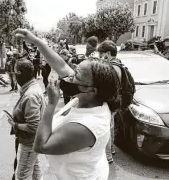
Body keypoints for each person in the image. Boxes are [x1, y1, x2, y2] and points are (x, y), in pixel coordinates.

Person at [12, 28, 120, 179]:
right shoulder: (87, 97)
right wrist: (36, 41)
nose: (70, 76)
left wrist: (51, 104)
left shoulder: (88, 126)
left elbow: (41, 146)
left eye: (77, 75)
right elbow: (61, 66)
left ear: (92, 90)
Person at [7, 58, 45, 180]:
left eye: (15, 72)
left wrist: (15, 125)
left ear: (19, 74)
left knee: (23, 175)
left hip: (30, 142)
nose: (14, 75)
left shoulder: (30, 95)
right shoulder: (31, 87)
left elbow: (33, 126)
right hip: (32, 141)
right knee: (34, 167)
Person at [97, 40, 122, 163]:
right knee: (109, 126)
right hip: (114, 101)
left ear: (107, 53)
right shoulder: (118, 64)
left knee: (105, 128)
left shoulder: (112, 67)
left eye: (101, 54)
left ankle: (108, 157)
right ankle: (111, 149)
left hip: (110, 101)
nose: (100, 57)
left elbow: (109, 87)